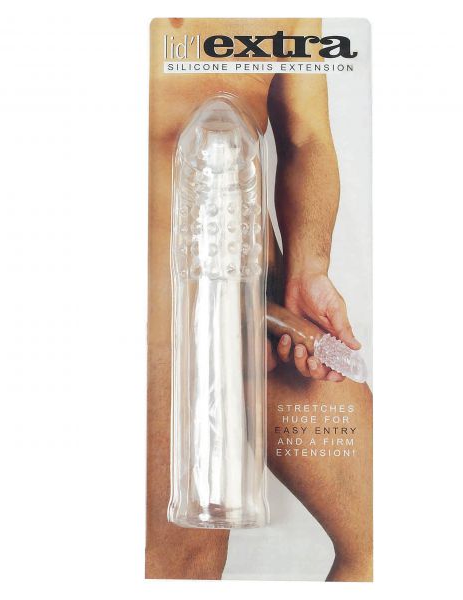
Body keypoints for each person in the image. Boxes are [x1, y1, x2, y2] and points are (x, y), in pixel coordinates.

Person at [147, 17, 372, 581]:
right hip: (160, 301)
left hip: (260, 294)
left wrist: (308, 267)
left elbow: (307, 135)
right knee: (183, 568)